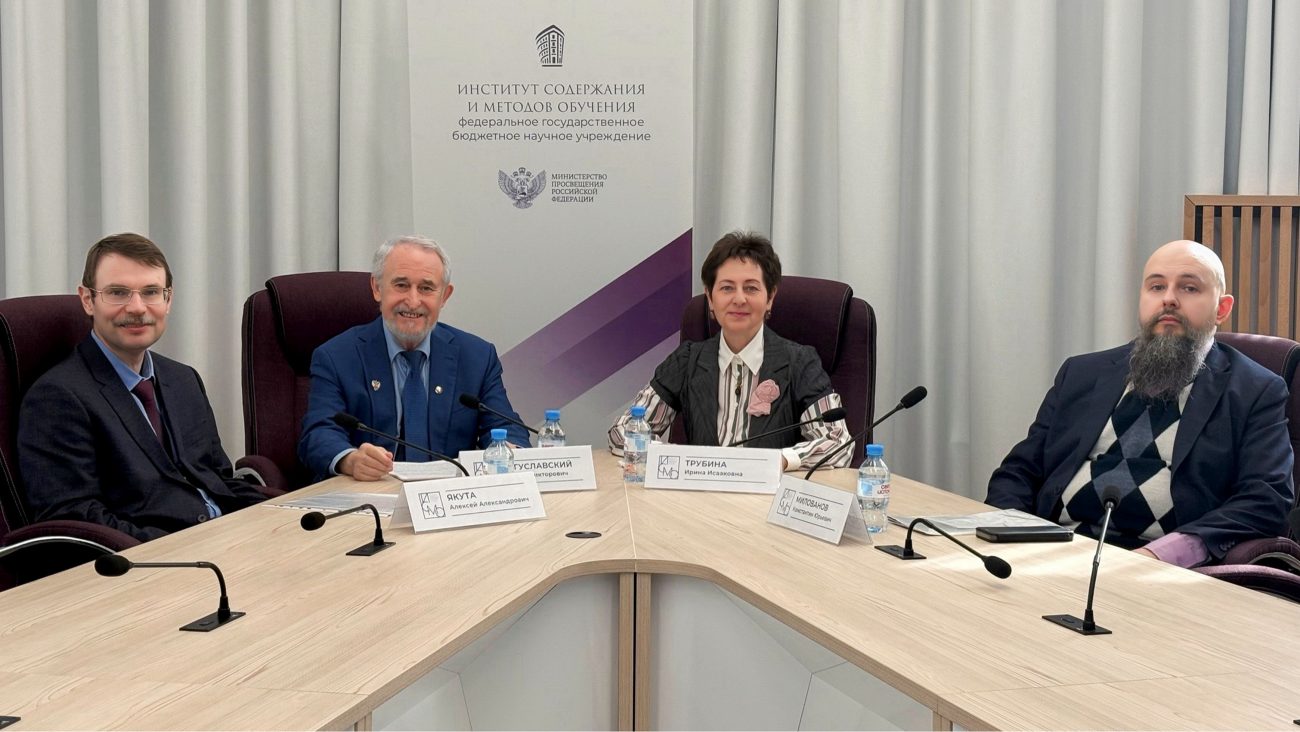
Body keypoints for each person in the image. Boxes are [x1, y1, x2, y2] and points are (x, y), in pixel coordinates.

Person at [986, 239, 1294, 566]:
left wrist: (1161, 554)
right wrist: (1014, 536)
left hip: (1160, 570)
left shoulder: (1255, 390)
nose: (1169, 299)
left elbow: (1266, 499)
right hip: (1051, 552)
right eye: (1156, 286)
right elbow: (1019, 471)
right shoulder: (1081, 373)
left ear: (1222, 309)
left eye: (1189, 288)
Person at [18, 233, 266, 542]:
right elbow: (75, 517)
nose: (137, 307)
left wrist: (279, 515)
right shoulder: (58, 397)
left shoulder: (183, 379)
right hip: (156, 558)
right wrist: (178, 548)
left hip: (228, 538)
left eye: (151, 292)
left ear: (168, 300)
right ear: (87, 300)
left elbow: (220, 479)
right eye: (118, 292)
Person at [608, 231, 850, 470]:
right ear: (710, 298)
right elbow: (623, 432)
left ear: (770, 297)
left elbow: (838, 442)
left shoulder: (800, 363)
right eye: (726, 288)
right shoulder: (688, 360)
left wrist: (782, 460)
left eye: (751, 288)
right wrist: (671, 456)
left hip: (768, 492)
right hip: (699, 492)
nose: (739, 299)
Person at [299, 235, 529, 481]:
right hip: (369, 493)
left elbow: (506, 427)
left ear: (444, 296)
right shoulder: (336, 356)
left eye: (426, 288)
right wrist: (351, 460)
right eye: (401, 285)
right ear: (377, 288)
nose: (412, 301)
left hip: (449, 496)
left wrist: (510, 451)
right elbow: (319, 433)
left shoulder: (477, 357)